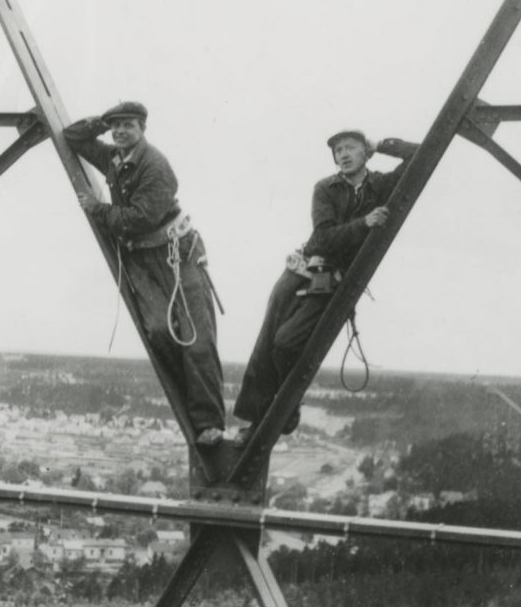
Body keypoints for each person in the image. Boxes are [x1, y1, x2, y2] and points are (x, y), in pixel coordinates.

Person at [232, 130, 419, 446]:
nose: (343, 155)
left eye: (351, 148)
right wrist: (364, 224)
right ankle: (256, 423)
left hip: (332, 282)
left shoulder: (381, 186)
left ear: (365, 153)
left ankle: (286, 408)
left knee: (286, 343)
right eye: (338, 151)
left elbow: (419, 154)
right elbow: (322, 239)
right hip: (303, 269)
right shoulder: (325, 189)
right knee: (266, 345)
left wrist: (381, 145)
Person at [64, 101, 225, 446]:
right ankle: (189, 401)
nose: (121, 131)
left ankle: (209, 423)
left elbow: (139, 218)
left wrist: (99, 210)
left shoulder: (155, 165)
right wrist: (100, 123)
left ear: (142, 129)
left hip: (177, 254)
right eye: (116, 126)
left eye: (129, 125)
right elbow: (72, 136)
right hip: (141, 260)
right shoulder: (114, 158)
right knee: (158, 331)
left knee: (196, 338)